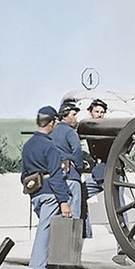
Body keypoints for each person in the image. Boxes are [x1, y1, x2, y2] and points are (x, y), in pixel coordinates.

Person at [20, 106, 71, 269]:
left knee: (50, 231)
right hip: (50, 194)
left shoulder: (28, 146)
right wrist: (64, 201)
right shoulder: (50, 147)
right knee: (46, 231)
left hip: (36, 194)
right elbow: (57, 176)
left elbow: (23, 175)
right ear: (51, 123)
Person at [49, 101, 86, 236]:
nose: (75, 118)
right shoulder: (70, 132)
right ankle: (72, 246)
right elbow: (77, 151)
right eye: (74, 115)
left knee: (59, 214)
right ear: (65, 116)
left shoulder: (52, 132)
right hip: (72, 176)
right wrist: (80, 167)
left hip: (57, 177)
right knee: (74, 214)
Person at [81, 99, 109, 239]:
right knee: (79, 195)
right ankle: (87, 234)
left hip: (111, 174)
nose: (99, 115)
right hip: (98, 173)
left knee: (118, 209)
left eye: (102, 112)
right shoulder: (89, 127)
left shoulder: (109, 128)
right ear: (90, 112)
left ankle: (123, 245)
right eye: (97, 112)